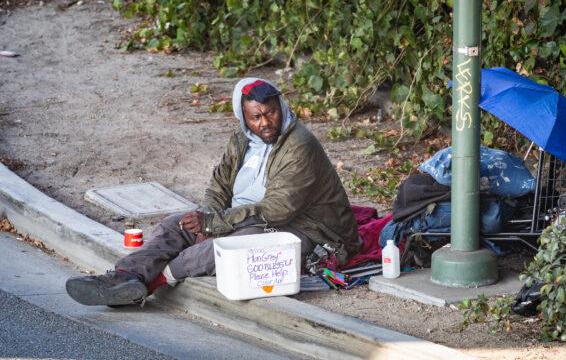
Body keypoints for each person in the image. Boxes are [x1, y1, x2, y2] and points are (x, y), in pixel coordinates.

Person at [66, 78, 361, 306]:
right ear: (243, 117)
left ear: (281, 107)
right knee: (174, 225)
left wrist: (213, 225)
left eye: (271, 113)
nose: (265, 123)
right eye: (255, 117)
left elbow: (278, 210)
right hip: (247, 217)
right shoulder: (242, 139)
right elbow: (219, 185)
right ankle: (124, 276)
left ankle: (150, 284)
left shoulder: (300, 146)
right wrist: (205, 216)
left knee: (228, 247)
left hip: (307, 229)